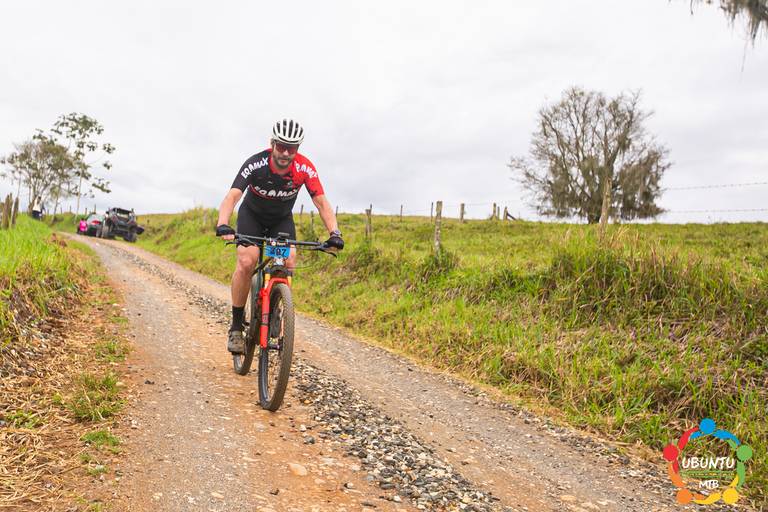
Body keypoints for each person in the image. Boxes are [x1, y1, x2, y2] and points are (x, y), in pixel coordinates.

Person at [215, 119, 344, 354]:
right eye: (282, 146)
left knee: (289, 259)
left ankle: (275, 308)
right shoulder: (256, 163)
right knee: (247, 261)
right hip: (252, 216)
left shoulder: (304, 168)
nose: (286, 153)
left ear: (298, 149)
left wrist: (334, 233)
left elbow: (321, 202)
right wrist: (223, 224)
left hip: (280, 220)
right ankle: (236, 327)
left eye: (292, 148)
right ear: (272, 143)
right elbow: (232, 196)